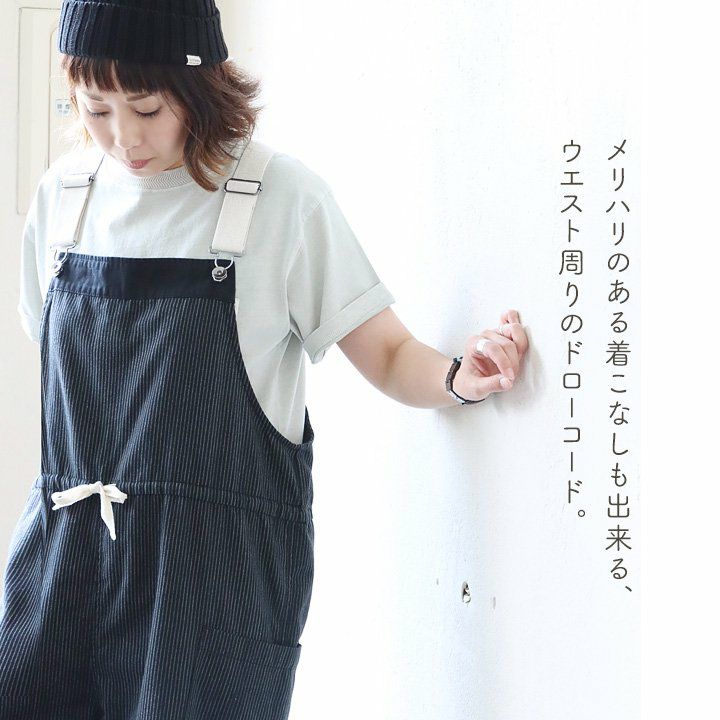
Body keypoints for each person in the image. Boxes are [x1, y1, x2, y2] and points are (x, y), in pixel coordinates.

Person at [0, 1, 529, 718]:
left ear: (199, 86)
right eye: (96, 109)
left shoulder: (279, 198)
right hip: (62, 569)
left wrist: (459, 379)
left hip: (211, 588)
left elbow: (387, 352)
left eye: (147, 108)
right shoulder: (63, 199)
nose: (123, 137)